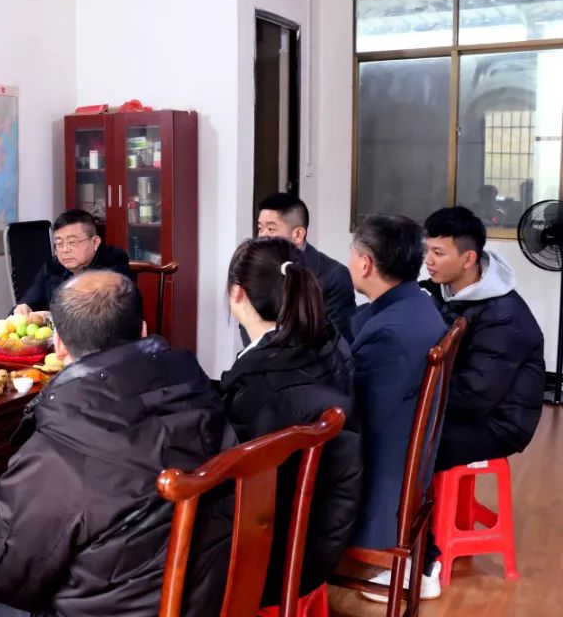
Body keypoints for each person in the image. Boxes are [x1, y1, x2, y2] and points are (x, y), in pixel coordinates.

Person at [0, 270, 231, 617]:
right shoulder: (202, 393)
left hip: (114, 608)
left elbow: (2, 578)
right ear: (143, 330)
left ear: (59, 346)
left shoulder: (59, 453)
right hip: (207, 594)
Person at [220, 237, 361, 608]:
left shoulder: (262, 387)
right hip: (319, 535)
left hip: (276, 559)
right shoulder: (325, 342)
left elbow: (233, 485)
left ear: (237, 293)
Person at [420, 206, 544, 578]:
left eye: (438, 253)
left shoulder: (504, 314)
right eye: (426, 250)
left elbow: (476, 395)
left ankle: (422, 556)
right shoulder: (441, 290)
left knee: (410, 444)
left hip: (499, 423)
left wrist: (417, 398)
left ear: (469, 258)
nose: (428, 260)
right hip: (461, 407)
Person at [346, 216, 447, 601]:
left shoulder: (390, 333)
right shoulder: (417, 304)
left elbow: (360, 418)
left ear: (366, 263)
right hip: (411, 449)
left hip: (388, 469)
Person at [256, 193, 357, 342]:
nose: (262, 237)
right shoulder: (257, 268)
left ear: (298, 234)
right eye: (260, 228)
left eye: (271, 229)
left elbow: (338, 340)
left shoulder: (334, 275)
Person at [13, 209, 130, 315]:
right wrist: (24, 307)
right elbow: (30, 300)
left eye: (72, 242)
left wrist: (50, 318)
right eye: (59, 243)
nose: (65, 250)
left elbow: (100, 316)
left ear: (95, 242)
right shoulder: (52, 265)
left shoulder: (113, 263)